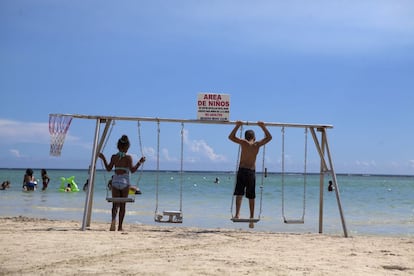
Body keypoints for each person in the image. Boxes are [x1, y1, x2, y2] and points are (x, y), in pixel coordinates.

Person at [228, 121, 272, 228]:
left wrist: (237, 126)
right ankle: (251, 218)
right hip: (251, 172)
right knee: (251, 196)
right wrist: (263, 127)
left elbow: (231, 137)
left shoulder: (243, 142)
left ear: (245, 137)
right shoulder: (257, 144)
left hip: (242, 170)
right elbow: (269, 137)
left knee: (239, 194)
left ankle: (237, 214)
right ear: (254, 137)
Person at [99, 134, 146, 231]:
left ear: (118, 146)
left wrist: (103, 158)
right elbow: (132, 170)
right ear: (127, 147)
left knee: (115, 204)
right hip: (125, 182)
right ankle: (120, 227)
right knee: (123, 205)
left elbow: (108, 169)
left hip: (115, 181)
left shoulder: (114, 157)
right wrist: (140, 162)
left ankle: (113, 222)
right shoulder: (128, 158)